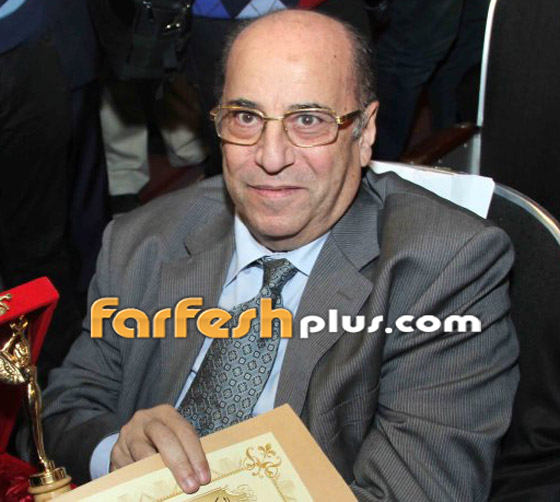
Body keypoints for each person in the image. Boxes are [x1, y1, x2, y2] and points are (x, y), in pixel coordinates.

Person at [26, 10, 519, 500]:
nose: (271, 156)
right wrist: (115, 450)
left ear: (365, 132)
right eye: (246, 117)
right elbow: (60, 414)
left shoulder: (444, 267)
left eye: (308, 120)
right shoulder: (143, 240)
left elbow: (420, 490)